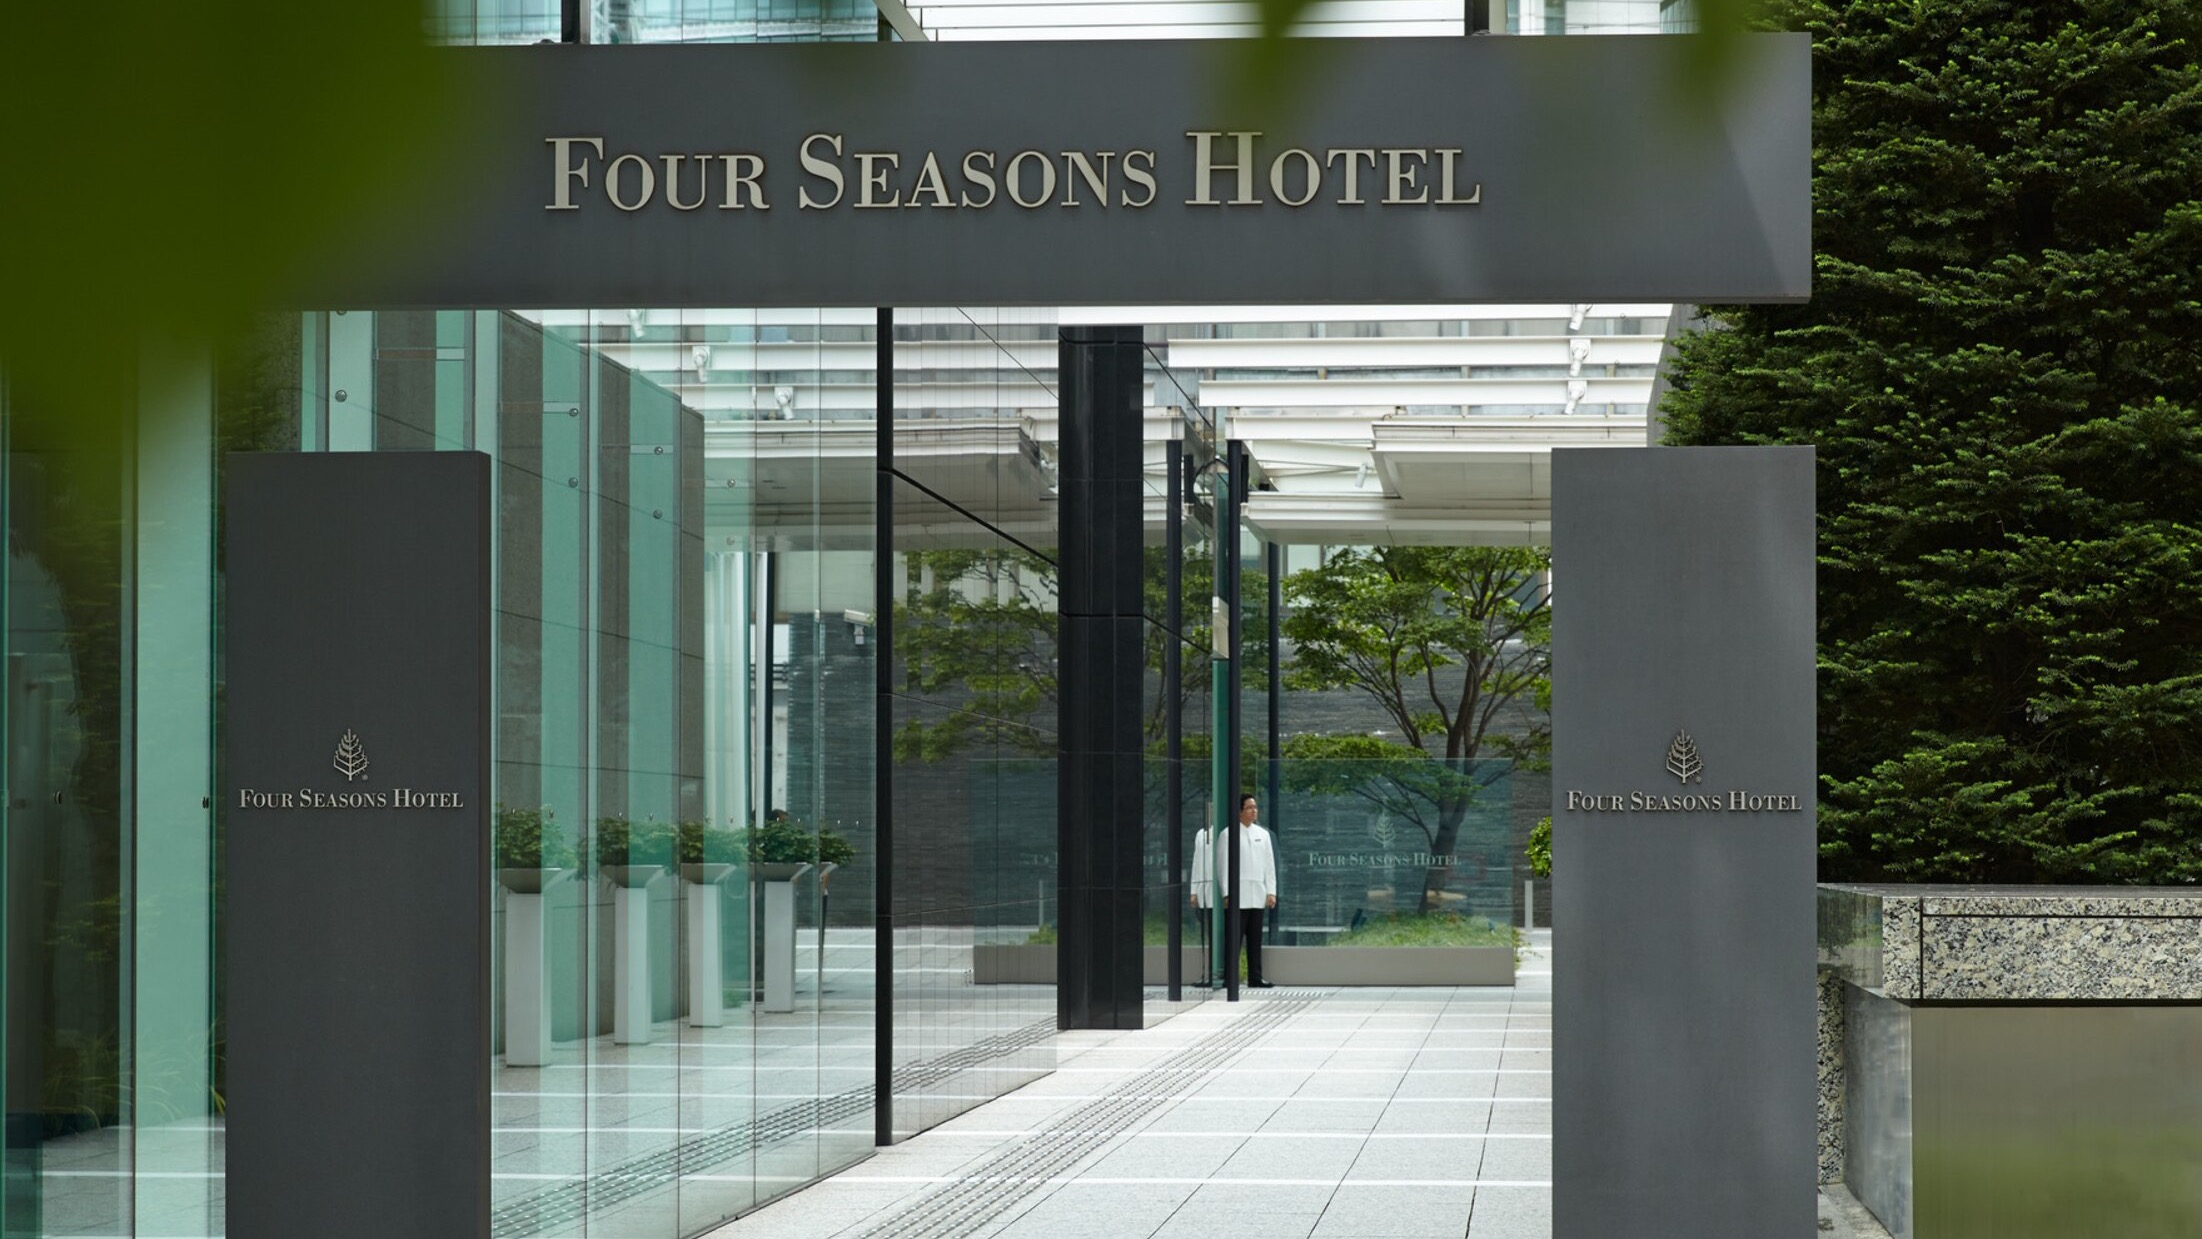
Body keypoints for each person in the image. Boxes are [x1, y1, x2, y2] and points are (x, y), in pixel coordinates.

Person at [1232, 794, 1278, 988]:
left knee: (1255, 939)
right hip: (1238, 894)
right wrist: (1227, 892)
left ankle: (1255, 977)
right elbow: (1223, 866)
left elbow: (1269, 865)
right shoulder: (1229, 834)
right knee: (1234, 939)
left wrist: (1271, 891)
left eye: (1255, 807)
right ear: (1240, 810)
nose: (1254, 811)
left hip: (1258, 893)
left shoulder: (1263, 834)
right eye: (1249, 807)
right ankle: (1230, 977)